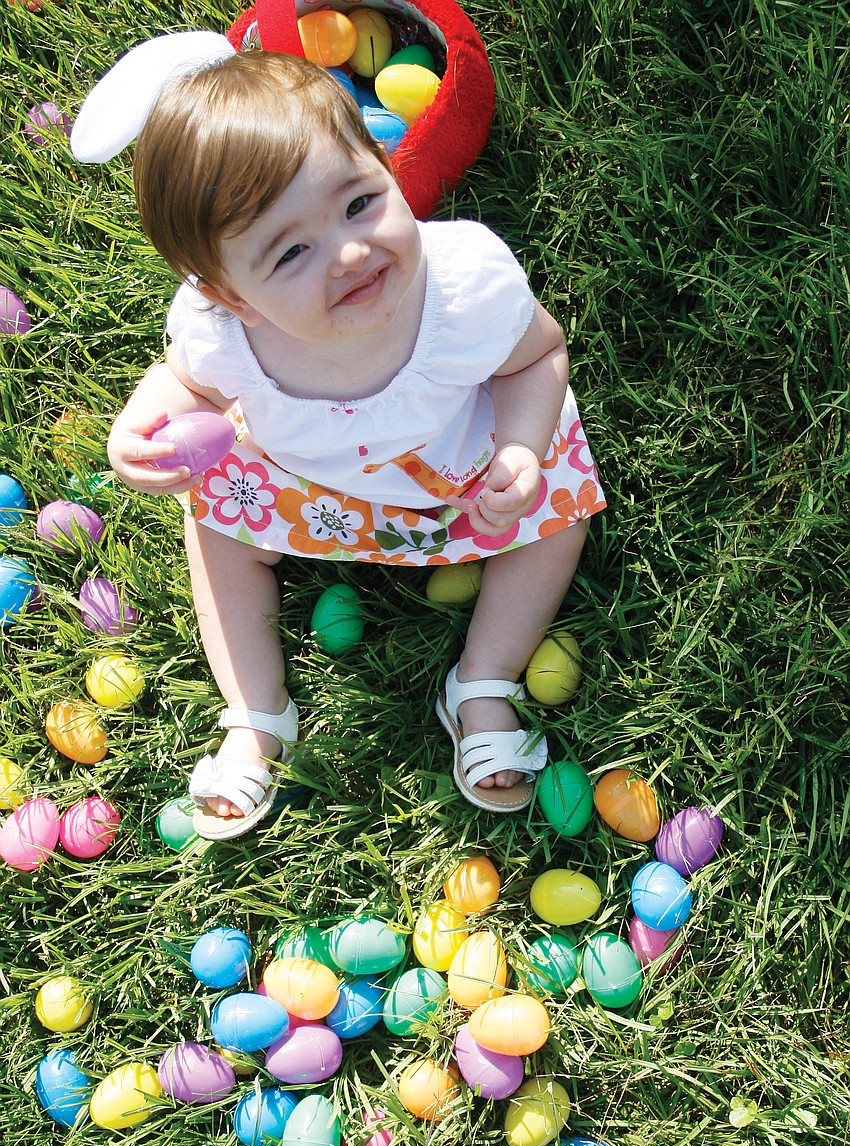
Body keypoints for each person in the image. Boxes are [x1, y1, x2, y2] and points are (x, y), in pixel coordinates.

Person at [86, 47, 606, 838]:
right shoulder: (222, 336)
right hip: (308, 483)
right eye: (291, 252)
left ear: (385, 163)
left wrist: (523, 451)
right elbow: (188, 385)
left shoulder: (462, 290)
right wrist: (139, 423)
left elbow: (539, 356)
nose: (352, 253)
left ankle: (484, 682)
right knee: (214, 517)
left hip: (460, 474)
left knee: (559, 510)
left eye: (360, 202)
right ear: (232, 297)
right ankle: (255, 714)